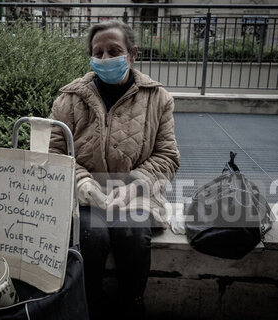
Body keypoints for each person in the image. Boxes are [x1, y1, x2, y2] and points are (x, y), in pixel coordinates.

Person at [49, 20, 180, 320]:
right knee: (91, 237)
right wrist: (83, 186)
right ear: (91, 57)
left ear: (132, 54)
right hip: (83, 194)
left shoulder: (158, 99)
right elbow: (55, 153)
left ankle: (131, 303)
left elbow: (167, 156)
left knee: (132, 234)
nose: (106, 58)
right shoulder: (68, 100)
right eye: (99, 52)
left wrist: (134, 186)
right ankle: (90, 304)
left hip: (137, 194)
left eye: (114, 51)